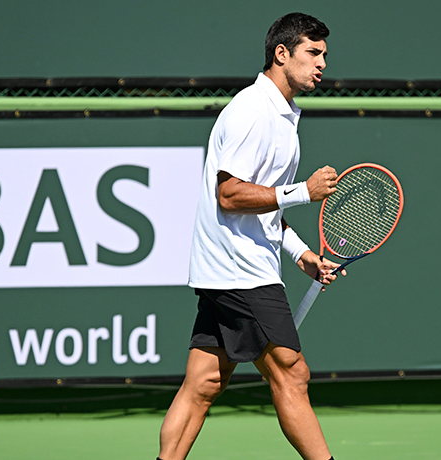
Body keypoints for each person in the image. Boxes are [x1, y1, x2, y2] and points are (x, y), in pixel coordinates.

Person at [156, 12, 343, 460]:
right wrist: (305, 191)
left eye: (324, 55)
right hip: (241, 272)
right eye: (312, 53)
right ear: (282, 54)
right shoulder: (252, 111)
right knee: (291, 374)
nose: (321, 64)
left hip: (230, 268)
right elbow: (230, 194)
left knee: (203, 383)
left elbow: (265, 210)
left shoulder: (283, 117)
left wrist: (301, 255)